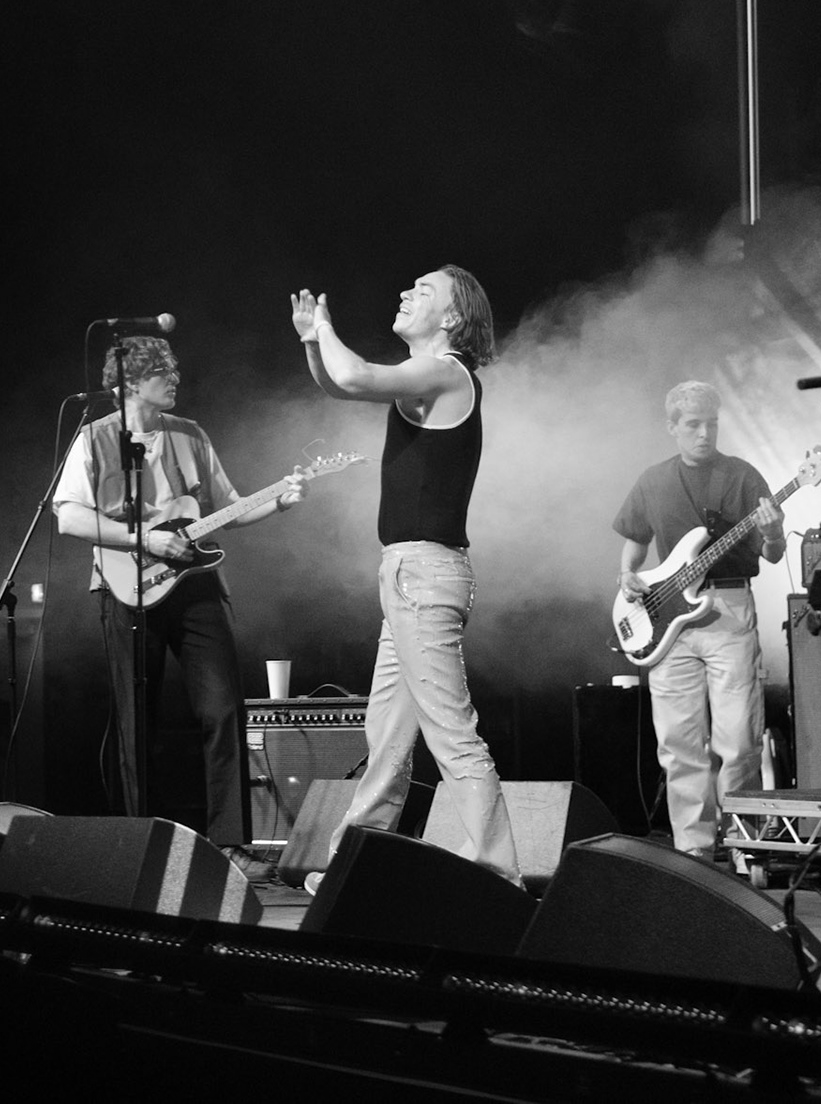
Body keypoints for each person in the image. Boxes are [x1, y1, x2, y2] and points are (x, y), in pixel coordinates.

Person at [290, 268, 522, 892]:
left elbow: (355, 377)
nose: (404, 294)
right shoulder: (425, 378)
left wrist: (326, 329)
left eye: (423, 291)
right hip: (407, 575)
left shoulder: (446, 373)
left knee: (451, 733)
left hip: (425, 574)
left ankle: (497, 876)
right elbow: (339, 385)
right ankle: (354, 870)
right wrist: (313, 342)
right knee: (388, 734)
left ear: (452, 317)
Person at [52, 335, 302, 884]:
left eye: (172, 370)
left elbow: (230, 509)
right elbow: (69, 517)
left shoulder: (190, 434)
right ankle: (141, 844)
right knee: (136, 723)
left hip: (196, 586)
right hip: (125, 586)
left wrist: (279, 502)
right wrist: (143, 539)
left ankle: (231, 844)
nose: (175, 379)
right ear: (129, 383)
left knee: (224, 710)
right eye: (163, 372)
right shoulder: (94, 438)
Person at [613, 380, 784, 864]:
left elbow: (772, 554)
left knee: (740, 739)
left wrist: (773, 533)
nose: (705, 433)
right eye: (693, 425)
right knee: (678, 743)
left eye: (711, 424)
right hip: (669, 620)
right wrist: (627, 575)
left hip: (728, 608)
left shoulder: (742, 475)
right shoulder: (652, 480)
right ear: (672, 427)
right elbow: (635, 542)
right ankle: (693, 851)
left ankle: (745, 844)